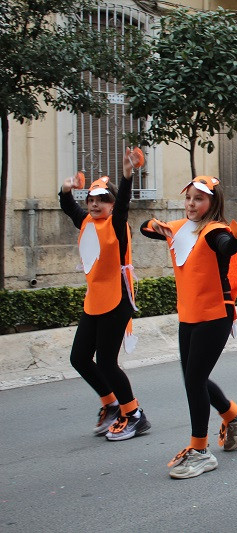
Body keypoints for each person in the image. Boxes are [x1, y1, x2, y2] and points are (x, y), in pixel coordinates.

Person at [141, 176, 237, 479]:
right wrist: (158, 227)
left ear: (212, 203)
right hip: (188, 317)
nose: (192, 203)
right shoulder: (182, 228)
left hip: (215, 316)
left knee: (194, 380)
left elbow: (227, 246)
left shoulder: (214, 231)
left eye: (199, 199)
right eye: (189, 198)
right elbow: (146, 227)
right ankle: (234, 416)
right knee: (194, 377)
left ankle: (200, 451)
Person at [59, 148, 150, 441]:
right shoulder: (86, 221)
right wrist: (66, 188)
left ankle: (134, 414)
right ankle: (110, 404)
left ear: (111, 204)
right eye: (92, 199)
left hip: (117, 298)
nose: (95, 204)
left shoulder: (117, 225)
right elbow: (68, 206)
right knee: (80, 358)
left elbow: (123, 204)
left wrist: (126, 176)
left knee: (107, 362)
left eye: (102, 200)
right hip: (95, 299)